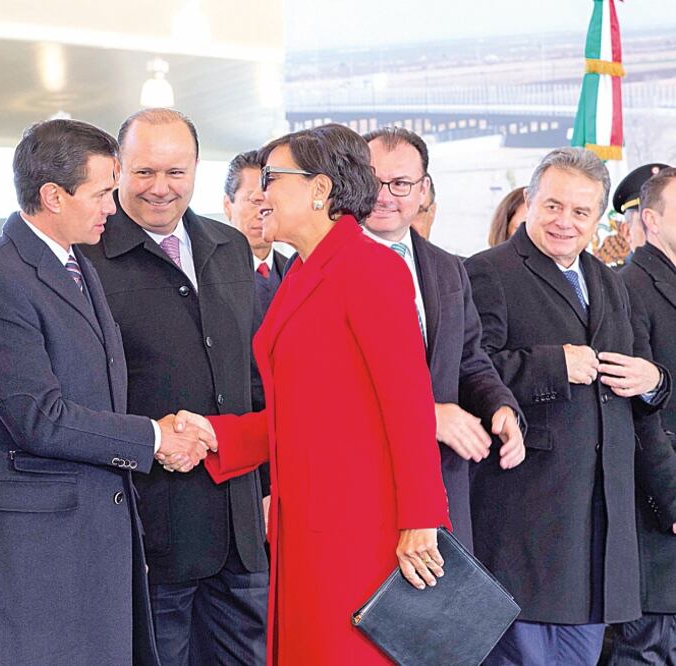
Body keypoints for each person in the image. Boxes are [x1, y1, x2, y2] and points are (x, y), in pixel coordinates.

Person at [179, 123, 450, 664]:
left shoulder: (370, 269)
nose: (261, 193)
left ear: (321, 190)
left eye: (274, 178)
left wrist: (421, 519)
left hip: (360, 527)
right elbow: (303, 411)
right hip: (306, 521)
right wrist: (218, 435)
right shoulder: (303, 273)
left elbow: (407, 403)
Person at [0, 118, 211, 666]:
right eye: (101, 194)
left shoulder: (74, 262)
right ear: (52, 196)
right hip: (35, 553)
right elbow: (39, 417)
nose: (112, 209)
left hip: (92, 536)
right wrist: (154, 437)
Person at [464, 147, 676, 664]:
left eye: (581, 212)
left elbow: (632, 388)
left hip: (598, 538)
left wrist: (656, 382)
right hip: (525, 528)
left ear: (598, 217)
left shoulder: (606, 279)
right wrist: (551, 366)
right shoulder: (487, 271)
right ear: (530, 202)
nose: (565, 222)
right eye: (553, 206)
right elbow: (469, 371)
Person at [81, 109, 269, 665]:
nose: (160, 189)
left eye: (176, 172)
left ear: (196, 170)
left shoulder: (230, 248)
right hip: (151, 526)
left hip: (239, 529)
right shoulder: (87, 255)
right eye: (143, 173)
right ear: (117, 171)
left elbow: (254, 380)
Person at [361, 127, 525, 551]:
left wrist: (500, 407)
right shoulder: (324, 267)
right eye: (371, 180)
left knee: (441, 615)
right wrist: (426, 414)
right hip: (365, 482)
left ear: (424, 191)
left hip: (444, 484)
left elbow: (470, 359)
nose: (384, 196)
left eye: (400, 184)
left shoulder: (448, 269)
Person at [613, 166, 676, 664]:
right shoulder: (631, 285)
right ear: (650, 220)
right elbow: (638, 414)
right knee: (649, 651)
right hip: (657, 519)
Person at [223, 148, 290, 526]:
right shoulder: (205, 282)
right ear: (227, 205)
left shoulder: (296, 273)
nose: (262, 210)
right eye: (251, 200)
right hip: (237, 467)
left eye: (269, 200)